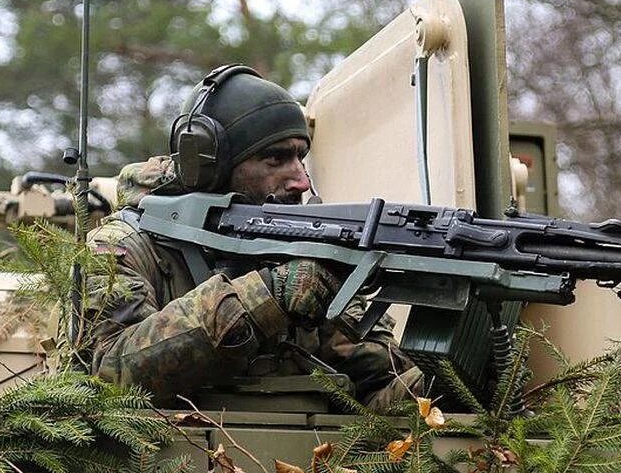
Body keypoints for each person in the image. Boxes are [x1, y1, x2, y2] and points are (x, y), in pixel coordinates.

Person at [82, 64, 420, 408]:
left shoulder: (298, 253)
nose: (301, 180)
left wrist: (449, 369)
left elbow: (378, 394)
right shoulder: (125, 247)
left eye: (300, 158)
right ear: (210, 166)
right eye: (276, 158)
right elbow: (109, 372)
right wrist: (267, 296)